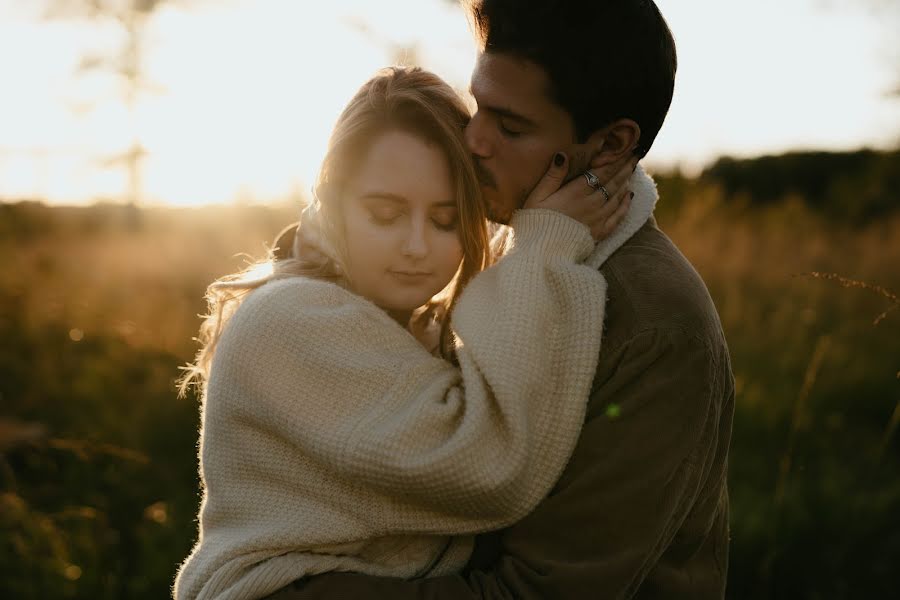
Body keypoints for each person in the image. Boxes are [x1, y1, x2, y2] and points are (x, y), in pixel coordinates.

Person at [267, 0, 735, 599]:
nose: (474, 140)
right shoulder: (510, 231)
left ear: (612, 144)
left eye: (511, 126)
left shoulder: (653, 324)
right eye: (479, 106)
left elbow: (538, 593)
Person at [173, 66, 647, 600]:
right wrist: (547, 249)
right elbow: (487, 467)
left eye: (446, 220)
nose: (417, 246)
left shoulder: (402, 322)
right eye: (386, 214)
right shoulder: (290, 318)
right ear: (333, 202)